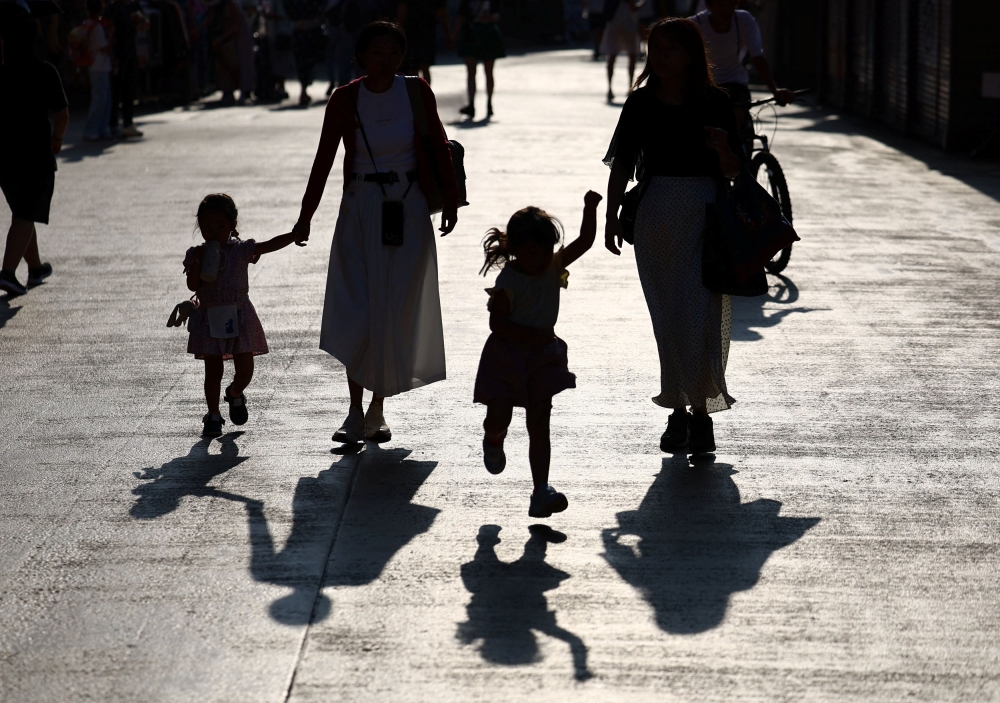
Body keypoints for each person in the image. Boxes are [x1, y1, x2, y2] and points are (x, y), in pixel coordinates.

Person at [292, 21, 458, 444]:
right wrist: (306, 215)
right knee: (358, 310)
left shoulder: (416, 91)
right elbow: (324, 158)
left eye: (394, 53)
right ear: (361, 56)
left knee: (393, 309)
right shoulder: (345, 98)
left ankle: (376, 408)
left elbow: (439, 146)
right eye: (377, 53)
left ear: (403, 56)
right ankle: (353, 409)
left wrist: (452, 202)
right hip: (360, 208)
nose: (386, 61)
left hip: (408, 207)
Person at [603, 18, 743, 454]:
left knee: (700, 315)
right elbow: (623, 164)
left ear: (691, 55)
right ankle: (678, 412)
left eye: (671, 48)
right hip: (656, 215)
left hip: (705, 216)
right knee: (667, 317)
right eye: (656, 47)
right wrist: (610, 216)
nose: (661, 56)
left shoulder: (715, 102)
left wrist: (723, 149)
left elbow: (735, 169)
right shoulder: (641, 103)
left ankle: (701, 414)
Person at [475, 193, 602, 518]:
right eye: (532, 252)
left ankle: (540, 490)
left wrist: (590, 208)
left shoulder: (553, 266)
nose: (541, 258)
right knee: (499, 416)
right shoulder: (508, 281)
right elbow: (497, 324)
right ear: (516, 250)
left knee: (539, 424)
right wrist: (529, 335)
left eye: (546, 250)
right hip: (506, 357)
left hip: (542, 358)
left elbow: (585, 242)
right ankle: (493, 438)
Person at [183, 194, 307, 437]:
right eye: (206, 226)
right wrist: (197, 262)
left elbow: (268, 245)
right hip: (210, 316)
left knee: (245, 370)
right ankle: (213, 415)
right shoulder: (197, 253)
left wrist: (293, 235)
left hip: (239, 314)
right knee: (213, 371)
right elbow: (192, 285)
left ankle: (235, 392)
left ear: (232, 225)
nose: (213, 232)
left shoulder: (241, 250)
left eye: (220, 226)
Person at [0, 19, 67, 297]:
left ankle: (36, 267)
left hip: (4, 155)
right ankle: (7, 273)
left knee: (22, 211)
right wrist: (57, 139)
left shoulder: (2, 73)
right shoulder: (45, 71)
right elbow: (62, 113)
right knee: (27, 213)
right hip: (35, 154)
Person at [690, 0, 794, 138]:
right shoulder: (695, 24)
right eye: (720, 4)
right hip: (705, 82)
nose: (726, 10)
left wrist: (774, 90)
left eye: (730, 4)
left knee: (739, 121)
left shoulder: (744, 20)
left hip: (734, 81)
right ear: (709, 5)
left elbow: (757, 57)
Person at [453, 0, 503, 119]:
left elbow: (496, 16)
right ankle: (476, 103)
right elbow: (461, 17)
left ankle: (485, 103)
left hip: (482, 33)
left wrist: (453, 36)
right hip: (475, 34)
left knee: (483, 72)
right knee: (477, 72)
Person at [105, 0, 147, 138]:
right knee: (116, 90)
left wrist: (141, 21)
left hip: (131, 51)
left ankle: (128, 123)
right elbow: (108, 29)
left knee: (130, 88)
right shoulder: (113, 7)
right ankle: (112, 124)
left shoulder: (134, 6)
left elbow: (144, 24)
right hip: (117, 53)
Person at [285, 0, 328, 106]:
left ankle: (304, 88)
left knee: (305, 61)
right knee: (305, 61)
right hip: (306, 29)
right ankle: (304, 89)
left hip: (306, 29)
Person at [82, 0, 114, 141]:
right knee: (100, 100)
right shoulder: (97, 27)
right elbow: (105, 47)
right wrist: (112, 34)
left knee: (104, 100)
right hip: (99, 65)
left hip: (96, 65)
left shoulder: (88, 24)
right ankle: (92, 130)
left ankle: (101, 128)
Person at [396, 0, 449, 84]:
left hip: (413, 32)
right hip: (426, 32)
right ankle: (423, 89)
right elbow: (442, 12)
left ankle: (417, 90)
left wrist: (398, 31)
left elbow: (402, 10)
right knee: (423, 66)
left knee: (414, 68)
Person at [600, 0, 640, 102]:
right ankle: (629, 86)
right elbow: (634, 8)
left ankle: (610, 88)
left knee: (612, 57)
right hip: (627, 24)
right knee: (631, 56)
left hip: (616, 24)